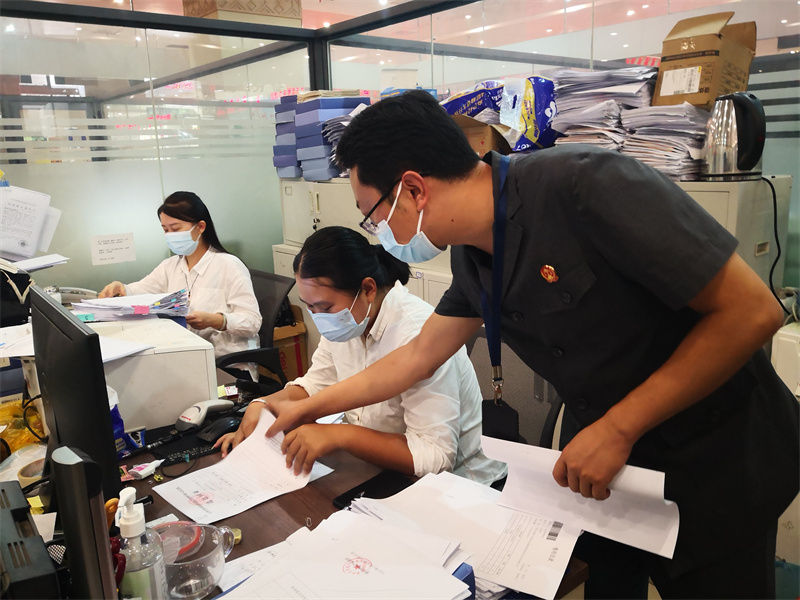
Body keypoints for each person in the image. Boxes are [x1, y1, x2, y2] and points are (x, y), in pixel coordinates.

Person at [261, 91, 799, 598]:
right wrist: (309, 406)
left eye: (373, 213)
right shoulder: (471, 251)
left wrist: (619, 426)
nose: (376, 229)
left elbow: (753, 311)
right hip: (606, 470)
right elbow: (418, 356)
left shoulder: (585, 185)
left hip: (715, 455)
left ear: (414, 189)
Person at [216, 226, 505, 485]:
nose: (318, 318)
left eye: (325, 308)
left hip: (458, 486)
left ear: (367, 289)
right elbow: (316, 385)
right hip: (377, 471)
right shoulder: (349, 323)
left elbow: (435, 457)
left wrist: (339, 436)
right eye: (309, 307)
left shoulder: (417, 334)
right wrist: (264, 406)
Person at [99, 191, 261, 379]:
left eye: (175, 229)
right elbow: (142, 291)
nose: (170, 235)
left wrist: (216, 320)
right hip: (188, 360)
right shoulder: (171, 266)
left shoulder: (228, 266)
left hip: (227, 366)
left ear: (200, 227)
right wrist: (122, 289)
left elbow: (252, 322)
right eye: (165, 230)